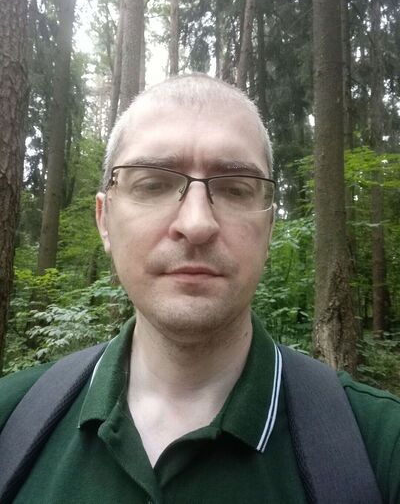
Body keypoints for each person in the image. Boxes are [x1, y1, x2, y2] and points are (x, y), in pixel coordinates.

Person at [0, 74, 399, 503]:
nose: (196, 224)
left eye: (235, 189)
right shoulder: (10, 422)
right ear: (104, 220)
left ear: (269, 228)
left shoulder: (381, 448)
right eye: (152, 184)